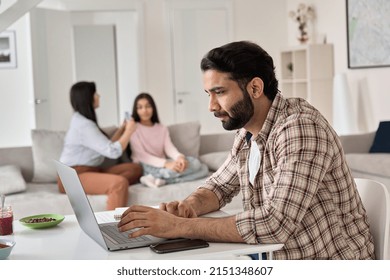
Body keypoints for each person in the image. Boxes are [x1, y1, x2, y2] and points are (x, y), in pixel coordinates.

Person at [117, 41, 375, 259]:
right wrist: (189, 206)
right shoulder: (248, 132)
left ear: (255, 88)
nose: (211, 105)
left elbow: (275, 225)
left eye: (219, 92)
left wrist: (181, 226)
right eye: (208, 93)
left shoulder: (300, 128)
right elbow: (218, 187)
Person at [58, 81, 143, 210]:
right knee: (120, 183)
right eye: (95, 93)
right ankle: (110, 225)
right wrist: (129, 131)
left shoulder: (84, 120)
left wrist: (121, 130)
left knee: (135, 168)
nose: (99, 96)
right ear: (88, 97)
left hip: (92, 171)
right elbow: (113, 152)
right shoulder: (84, 125)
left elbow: (105, 147)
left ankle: (106, 185)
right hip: (72, 177)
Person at [129, 92, 209, 188]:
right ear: (136, 110)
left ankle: (159, 179)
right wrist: (166, 164)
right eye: (140, 107)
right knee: (201, 170)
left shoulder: (162, 128)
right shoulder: (133, 128)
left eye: (148, 106)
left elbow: (169, 148)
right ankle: (157, 176)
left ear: (153, 108)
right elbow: (142, 155)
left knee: (200, 166)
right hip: (146, 165)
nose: (144, 110)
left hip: (163, 163)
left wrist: (179, 158)